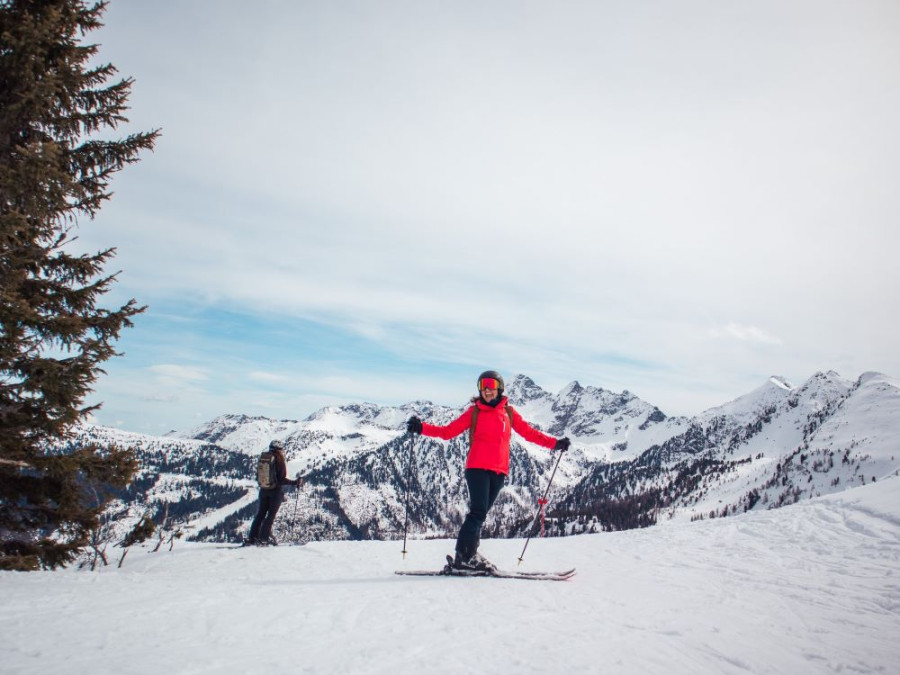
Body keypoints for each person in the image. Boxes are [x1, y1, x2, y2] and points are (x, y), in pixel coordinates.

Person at [406, 370, 570, 571]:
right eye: (483, 385)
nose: (486, 389)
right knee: (477, 512)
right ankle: (464, 556)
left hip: (499, 472)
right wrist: (421, 428)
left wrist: (555, 444)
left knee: (480, 515)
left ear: (499, 388)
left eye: (491, 385)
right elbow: (447, 432)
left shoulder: (509, 413)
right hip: (477, 469)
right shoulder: (474, 412)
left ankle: (469, 554)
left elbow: (530, 434)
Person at [245, 439, 301, 546]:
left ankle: (252, 538)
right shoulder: (279, 460)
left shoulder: (264, 458)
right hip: (275, 492)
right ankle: (263, 539)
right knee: (270, 515)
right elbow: (281, 479)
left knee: (260, 514)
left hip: (263, 490)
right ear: (279, 449)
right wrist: (295, 483)